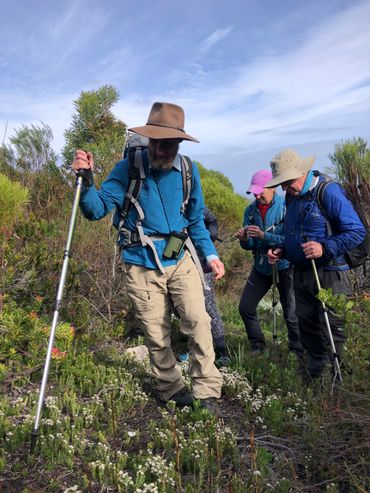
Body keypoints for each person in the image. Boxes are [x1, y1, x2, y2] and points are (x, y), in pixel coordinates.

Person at [71, 102, 224, 410]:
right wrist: (86, 181)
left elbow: (195, 220)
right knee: (156, 332)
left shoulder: (187, 170)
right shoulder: (128, 167)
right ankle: (171, 387)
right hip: (140, 261)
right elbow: (96, 209)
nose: (164, 150)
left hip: (179, 256)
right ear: (149, 139)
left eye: (171, 144)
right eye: (159, 142)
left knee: (198, 320)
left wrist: (211, 254)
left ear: (179, 143)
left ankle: (207, 389)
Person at [266, 149, 365, 379]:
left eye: (287, 182)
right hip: (302, 272)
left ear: (302, 172)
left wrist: (324, 247)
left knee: (332, 325)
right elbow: (295, 233)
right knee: (307, 323)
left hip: (329, 272)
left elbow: (356, 231)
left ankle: (339, 377)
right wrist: (283, 250)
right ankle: (316, 375)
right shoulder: (293, 196)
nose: (284, 189)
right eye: (281, 184)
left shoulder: (327, 191)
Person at [235, 169, 303, 356]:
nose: (257, 196)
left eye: (260, 191)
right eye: (254, 192)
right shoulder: (250, 211)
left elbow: (290, 240)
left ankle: (297, 351)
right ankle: (257, 346)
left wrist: (264, 236)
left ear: (272, 187)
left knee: (291, 313)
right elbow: (249, 246)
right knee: (246, 307)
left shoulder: (286, 206)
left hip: (285, 266)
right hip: (261, 267)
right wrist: (244, 238)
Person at [202, 207, 229, 365]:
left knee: (209, 306)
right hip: (179, 265)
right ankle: (193, 346)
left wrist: (210, 236)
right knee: (183, 309)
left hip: (203, 264)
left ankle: (221, 350)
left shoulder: (195, 204)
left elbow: (212, 220)